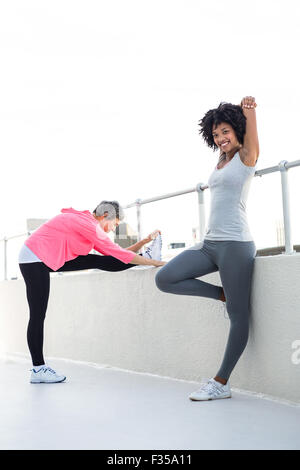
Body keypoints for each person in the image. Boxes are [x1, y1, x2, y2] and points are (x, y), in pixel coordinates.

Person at [155, 96, 259, 401]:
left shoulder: (246, 156)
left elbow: (251, 139)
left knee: (239, 315)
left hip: (236, 245)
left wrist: (249, 113)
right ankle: (221, 293)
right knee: (165, 278)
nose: (221, 138)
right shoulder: (222, 159)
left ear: (237, 130)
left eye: (226, 131)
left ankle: (221, 382)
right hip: (210, 244)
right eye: (215, 134)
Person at [18, 200, 165, 383]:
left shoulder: (86, 222)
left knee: (96, 261)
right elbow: (117, 254)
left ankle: (148, 255)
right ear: (105, 216)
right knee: (38, 314)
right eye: (115, 224)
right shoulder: (88, 225)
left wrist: (144, 243)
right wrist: (156, 263)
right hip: (34, 258)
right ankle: (38, 369)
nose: (113, 229)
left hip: (43, 256)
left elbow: (115, 255)